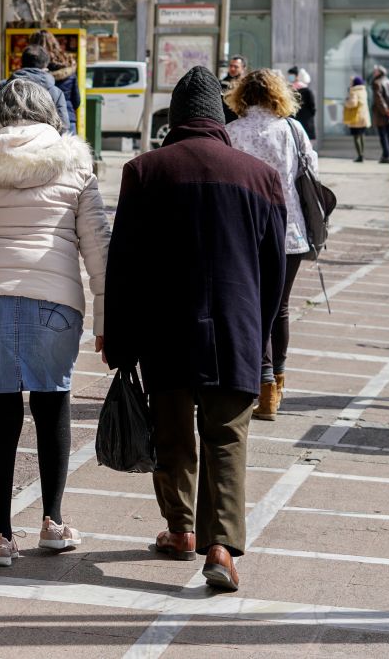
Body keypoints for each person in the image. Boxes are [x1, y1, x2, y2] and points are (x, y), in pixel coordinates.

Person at [104, 66, 286, 592]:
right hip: (236, 329)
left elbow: (126, 263)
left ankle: (181, 529)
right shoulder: (260, 176)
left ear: (176, 118)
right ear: (220, 116)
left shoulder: (145, 171)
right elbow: (274, 270)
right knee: (227, 438)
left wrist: (120, 338)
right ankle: (222, 550)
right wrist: (262, 329)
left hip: (166, 329)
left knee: (173, 434)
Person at [0, 78, 109, 568]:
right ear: (49, 113)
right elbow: (99, 247)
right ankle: (53, 522)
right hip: (55, 304)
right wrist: (108, 318)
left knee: (0, 418)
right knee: (54, 407)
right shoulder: (75, 163)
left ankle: (1, 535)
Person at [227, 69, 319, 422]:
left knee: (251, 308)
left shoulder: (231, 132)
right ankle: (275, 384)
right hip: (289, 230)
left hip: (243, 231)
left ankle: (260, 382)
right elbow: (312, 170)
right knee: (278, 307)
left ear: (242, 95)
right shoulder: (292, 130)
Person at [0, 45, 69, 136]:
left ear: (21, 64)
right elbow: (63, 126)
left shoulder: (2, 86)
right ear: (45, 67)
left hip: (4, 144)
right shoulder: (55, 92)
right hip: (42, 146)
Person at [28, 30, 81, 134]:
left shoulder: (31, 69)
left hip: (39, 121)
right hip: (67, 120)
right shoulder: (67, 65)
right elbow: (76, 101)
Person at [371, 65, 389, 164]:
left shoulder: (376, 83)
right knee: (387, 136)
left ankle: (387, 155)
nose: (374, 72)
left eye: (375, 71)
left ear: (380, 72)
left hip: (382, 114)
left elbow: (378, 99)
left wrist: (386, 110)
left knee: (383, 135)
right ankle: (385, 155)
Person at [343, 75, 371, 162]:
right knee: (362, 135)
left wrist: (346, 102)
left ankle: (360, 156)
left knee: (356, 137)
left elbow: (353, 103)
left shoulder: (354, 91)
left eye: (352, 82)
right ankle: (362, 154)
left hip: (356, 117)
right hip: (364, 117)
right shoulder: (363, 91)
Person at [288, 67, 317, 140]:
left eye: (291, 75)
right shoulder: (306, 90)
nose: (289, 77)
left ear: (297, 76)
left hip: (296, 119)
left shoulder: (290, 90)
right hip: (305, 120)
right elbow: (312, 107)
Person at [220, 55, 247, 123]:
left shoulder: (246, 84)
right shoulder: (222, 82)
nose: (232, 68)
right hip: (224, 120)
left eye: (236, 67)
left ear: (243, 68)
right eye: (231, 66)